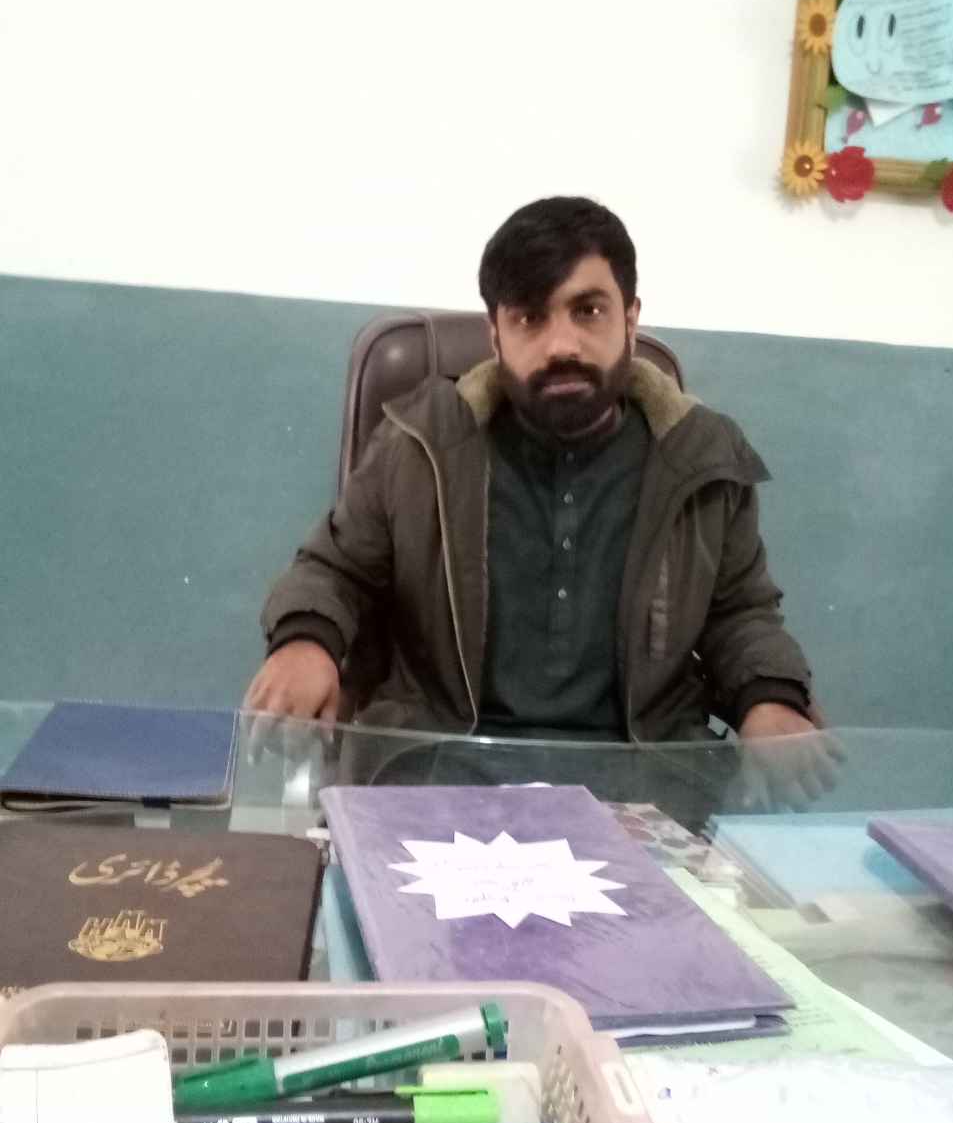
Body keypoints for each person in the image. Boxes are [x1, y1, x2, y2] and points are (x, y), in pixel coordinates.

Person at [245, 197, 838, 807]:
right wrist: (305, 642)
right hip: (438, 772)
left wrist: (769, 698)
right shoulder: (422, 442)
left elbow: (740, 614)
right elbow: (336, 569)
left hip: (640, 787)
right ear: (495, 335)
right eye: (530, 317)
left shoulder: (700, 456)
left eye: (589, 311)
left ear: (631, 319)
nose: (562, 344)